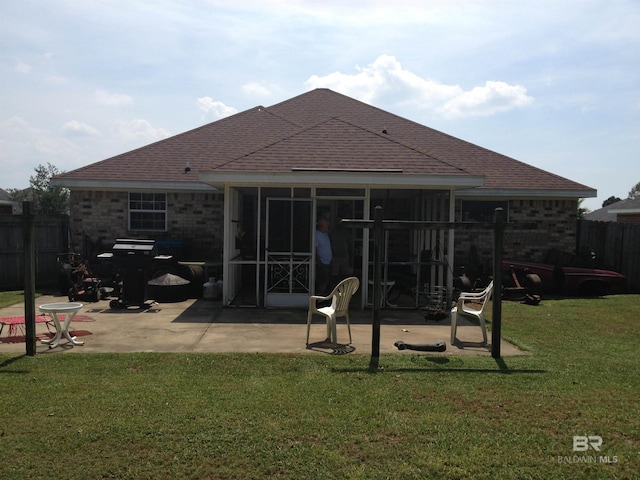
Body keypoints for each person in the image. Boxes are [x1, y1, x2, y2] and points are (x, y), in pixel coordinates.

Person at [329, 216, 352, 282]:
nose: (339, 223)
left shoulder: (347, 232)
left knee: (346, 276)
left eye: (340, 222)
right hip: (335, 257)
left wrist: (351, 257)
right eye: (337, 221)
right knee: (334, 275)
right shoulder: (331, 232)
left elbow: (350, 245)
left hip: (345, 256)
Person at [315, 218, 332, 295]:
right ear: (321, 226)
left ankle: (324, 297)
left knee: (327, 280)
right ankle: (320, 297)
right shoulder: (317, 235)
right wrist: (319, 261)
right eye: (326, 225)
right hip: (322, 262)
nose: (328, 226)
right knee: (323, 281)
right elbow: (315, 249)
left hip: (328, 261)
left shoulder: (325, 234)